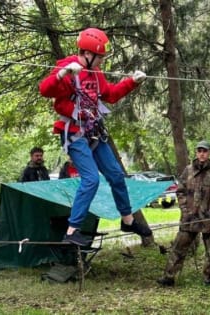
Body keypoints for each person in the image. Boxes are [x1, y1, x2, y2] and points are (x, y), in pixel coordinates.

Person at [39, 27, 151, 246]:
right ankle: (72, 231)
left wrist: (132, 82)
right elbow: (45, 90)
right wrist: (62, 74)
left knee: (116, 174)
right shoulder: (67, 66)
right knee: (90, 180)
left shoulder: (96, 73)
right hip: (73, 133)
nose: (101, 60)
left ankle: (127, 219)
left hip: (94, 131)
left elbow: (109, 95)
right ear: (87, 54)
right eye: (99, 56)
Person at [157, 140, 210, 287]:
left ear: (209, 153)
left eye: (205, 151)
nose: (202, 154)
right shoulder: (188, 170)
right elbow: (180, 191)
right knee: (178, 248)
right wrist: (185, 210)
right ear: (196, 153)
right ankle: (169, 277)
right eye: (199, 151)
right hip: (189, 218)